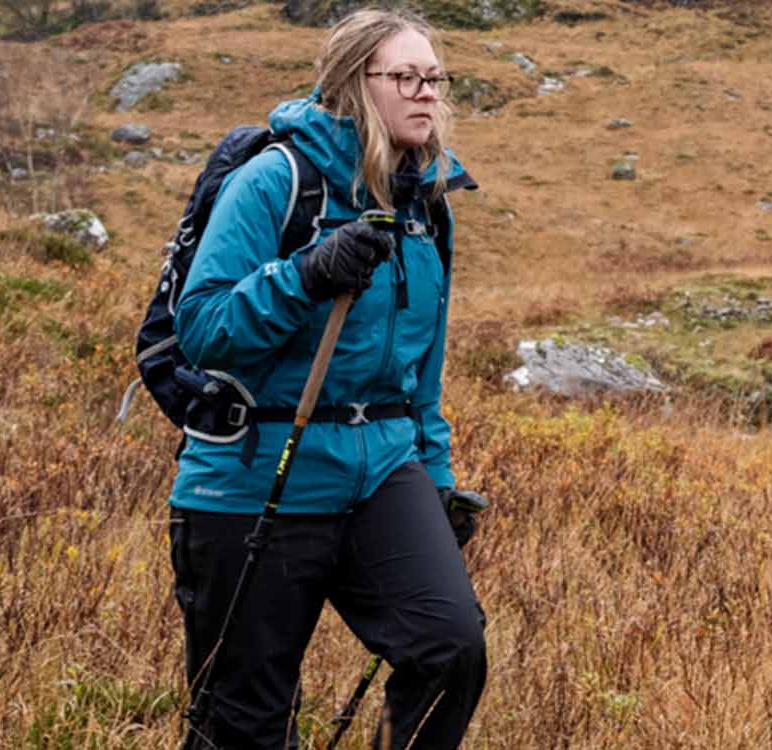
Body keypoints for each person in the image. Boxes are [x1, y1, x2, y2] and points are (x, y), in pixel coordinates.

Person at [156, 8, 489, 749]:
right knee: (242, 722)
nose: (426, 94)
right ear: (352, 84)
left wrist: (434, 478)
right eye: (405, 77)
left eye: (434, 78)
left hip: (383, 472)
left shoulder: (425, 203)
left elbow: (421, 369)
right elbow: (204, 329)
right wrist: (304, 275)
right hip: (253, 475)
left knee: (451, 648)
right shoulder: (277, 180)